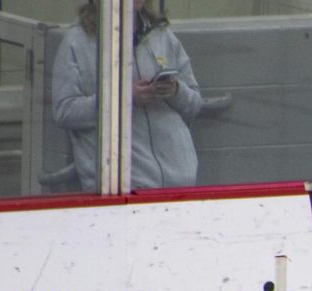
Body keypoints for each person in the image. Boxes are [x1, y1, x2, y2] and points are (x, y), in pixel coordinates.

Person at [52, 0, 201, 191]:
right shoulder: (77, 42)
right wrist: (122, 99)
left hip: (180, 182)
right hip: (121, 188)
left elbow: (195, 104)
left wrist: (176, 91)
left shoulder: (162, 35)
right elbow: (64, 112)